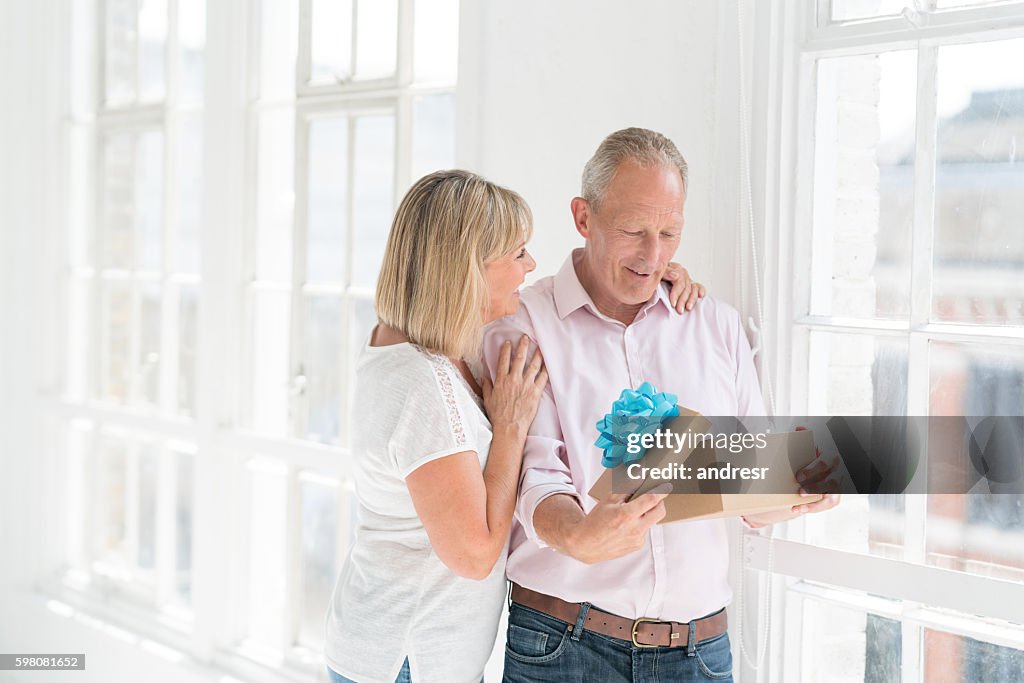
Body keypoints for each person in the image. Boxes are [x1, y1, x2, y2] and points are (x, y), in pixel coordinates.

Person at [481, 128, 841, 683]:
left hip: (700, 652)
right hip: (565, 645)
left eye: (670, 233)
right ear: (583, 217)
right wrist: (577, 534)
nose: (653, 256)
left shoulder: (713, 324)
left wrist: (795, 491)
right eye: (634, 231)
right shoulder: (524, 324)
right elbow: (534, 476)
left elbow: (751, 496)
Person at [324, 169, 706, 683]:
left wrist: (649, 269)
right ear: (468, 269)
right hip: (405, 659)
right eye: (517, 254)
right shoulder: (422, 384)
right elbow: (477, 555)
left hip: (416, 654)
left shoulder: (425, 347)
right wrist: (509, 429)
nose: (529, 267)